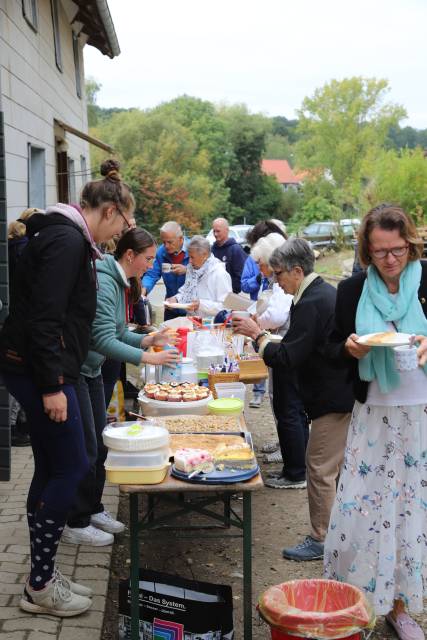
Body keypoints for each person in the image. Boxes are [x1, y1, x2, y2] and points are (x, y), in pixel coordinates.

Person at [0, 158, 134, 617]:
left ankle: (42, 576)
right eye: (124, 222)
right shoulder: (67, 240)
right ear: (110, 211)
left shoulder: (63, 234)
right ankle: (40, 585)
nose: (120, 234)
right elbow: (45, 319)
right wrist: (54, 385)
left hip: (41, 368)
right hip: (44, 372)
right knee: (73, 466)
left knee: (53, 466)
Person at [324, 204, 427, 640]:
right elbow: (329, 349)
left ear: (411, 244)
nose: (390, 260)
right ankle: (363, 598)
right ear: (367, 251)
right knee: (365, 506)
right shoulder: (350, 291)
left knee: (411, 511)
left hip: (420, 413)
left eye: (399, 250)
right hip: (372, 415)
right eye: (381, 251)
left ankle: (401, 606)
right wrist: (349, 350)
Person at [233, 238, 354, 559]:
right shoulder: (320, 293)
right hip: (337, 393)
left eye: (278, 274)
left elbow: (289, 356)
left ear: (297, 271)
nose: (275, 280)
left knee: (319, 468)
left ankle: (322, 539)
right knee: (334, 469)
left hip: (332, 397)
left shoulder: (311, 301)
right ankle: (340, 533)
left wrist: (257, 336)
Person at [63, 228, 179, 546]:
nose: (149, 265)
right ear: (130, 255)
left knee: (100, 444)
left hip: (91, 370)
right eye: (148, 258)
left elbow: (116, 331)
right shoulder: (105, 282)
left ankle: (93, 507)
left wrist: (147, 339)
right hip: (78, 372)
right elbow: (101, 339)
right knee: (87, 448)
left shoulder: (118, 281)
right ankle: (75, 521)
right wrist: (148, 358)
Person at [241, 219, 288, 409]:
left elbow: (277, 315)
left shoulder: (281, 281)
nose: (259, 268)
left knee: (284, 401)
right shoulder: (273, 278)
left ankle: (287, 440)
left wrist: (257, 323)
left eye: (261, 264)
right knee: (278, 396)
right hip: (276, 339)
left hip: (280, 342)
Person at [7, 208, 44, 446]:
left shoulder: (13, 246)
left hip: (15, 320)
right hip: (20, 324)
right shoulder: (23, 249)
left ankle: (19, 426)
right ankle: (16, 428)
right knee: (19, 380)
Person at [167, 235, 232, 318]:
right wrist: (175, 299)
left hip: (211, 326)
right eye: (189, 256)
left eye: (192, 257)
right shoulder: (192, 268)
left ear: (204, 255)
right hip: (192, 322)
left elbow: (226, 307)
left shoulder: (220, 273)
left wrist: (201, 305)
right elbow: (186, 291)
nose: (189, 261)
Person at [142, 221, 189, 321]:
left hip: (190, 309)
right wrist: (144, 289)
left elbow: (205, 272)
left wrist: (187, 270)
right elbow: (151, 275)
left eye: (170, 242)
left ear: (181, 239)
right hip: (170, 308)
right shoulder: (161, 252)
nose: (166, 246)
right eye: (163, 242)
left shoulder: (193, 249)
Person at [211, 217, 247, 293]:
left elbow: (241, 276)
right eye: (214, 231)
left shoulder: (235, 250)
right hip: (214, 294)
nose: (215, 234)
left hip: (231, 295)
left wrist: (231, 292)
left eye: (218, 231)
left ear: (227, 230)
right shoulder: (212, 250)